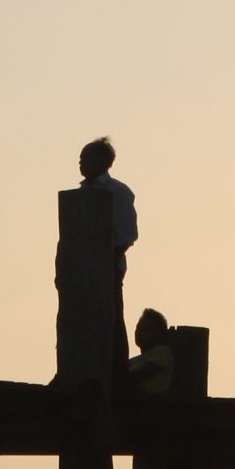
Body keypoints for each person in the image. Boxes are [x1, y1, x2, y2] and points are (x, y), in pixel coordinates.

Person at [77, 136, 137, 332]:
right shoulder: (81, 193)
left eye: (86, 159)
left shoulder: (117, 191)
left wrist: (107, 262)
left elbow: (127, 234)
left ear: (102, 162)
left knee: (111, 321)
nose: (81, 164)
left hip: (108, 269)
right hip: (82, 269)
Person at [128, 307, 176, 398]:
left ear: (158, 334)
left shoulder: (162, 352)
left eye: (146, 329)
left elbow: (137, 375)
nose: (139, 332)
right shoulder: (133, 360)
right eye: (138, 328)